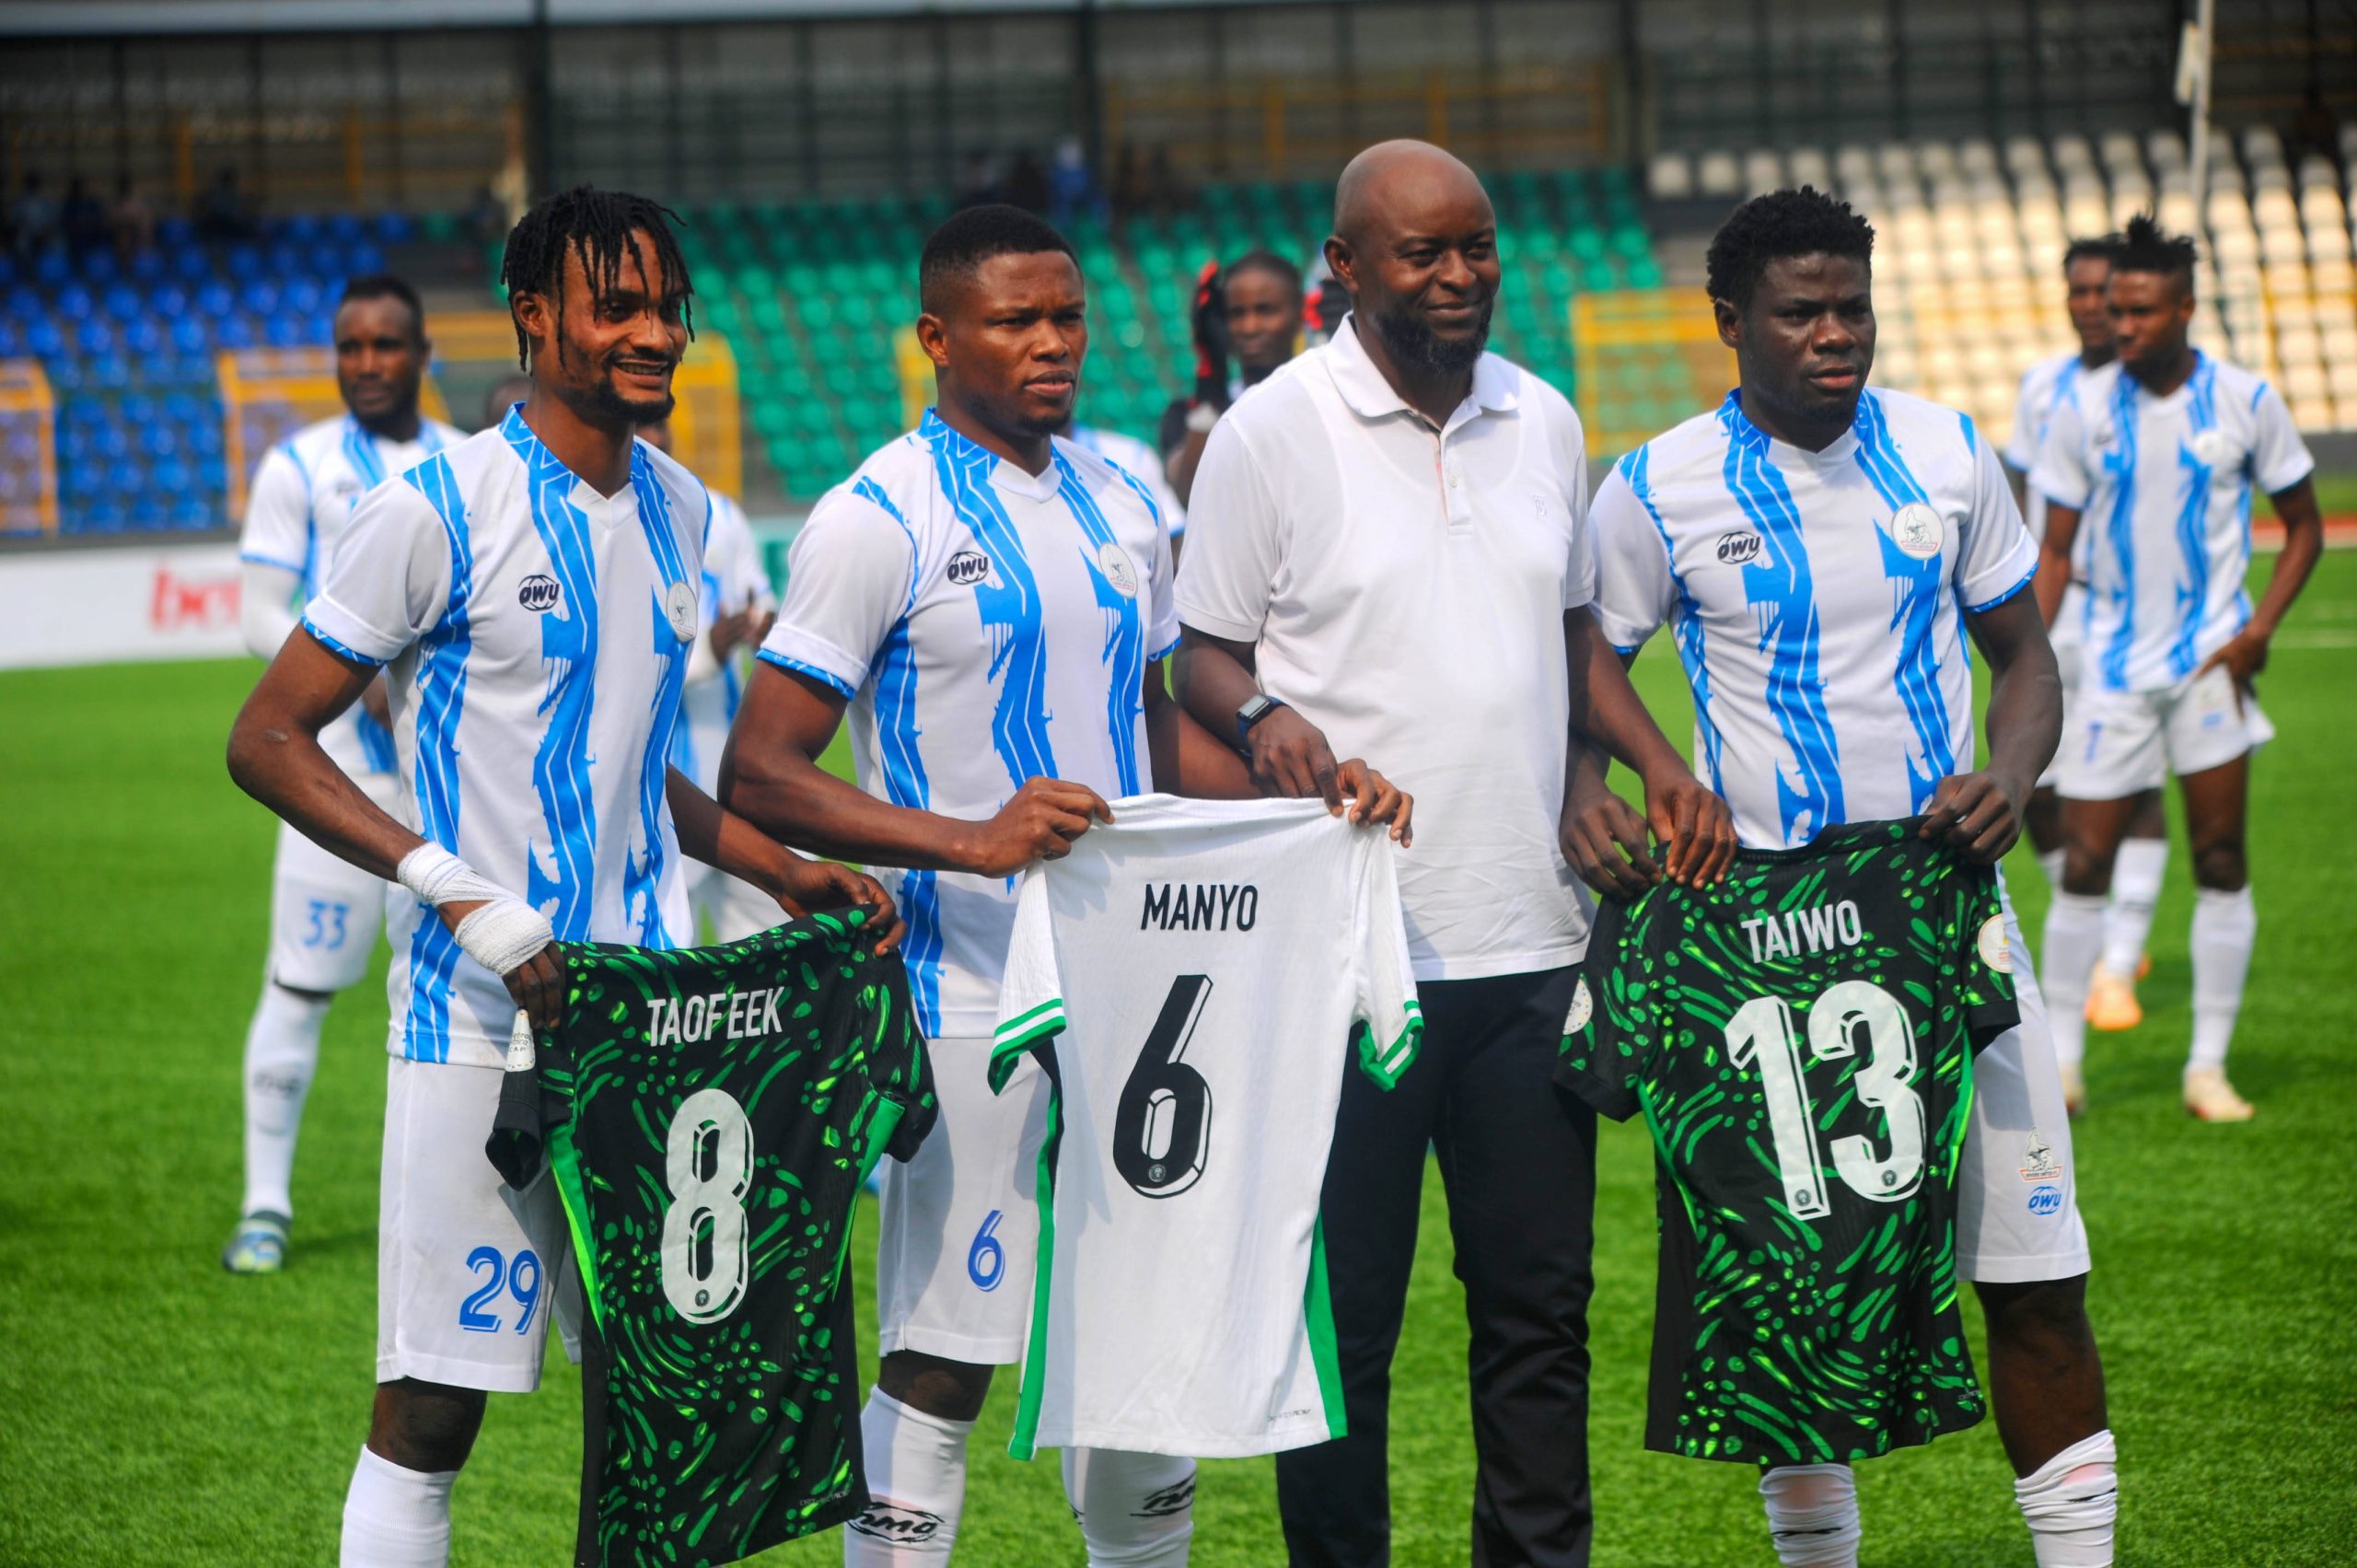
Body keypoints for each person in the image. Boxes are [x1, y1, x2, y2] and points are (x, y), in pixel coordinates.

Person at [720, 203, 1406, 1568]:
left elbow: (1150, 728)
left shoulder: (1122, 496)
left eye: (1067, 318)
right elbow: (761, 767)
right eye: (1014, 321)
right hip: (963, 988)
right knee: (946, 1349)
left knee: (1145, 1328)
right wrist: (972, 837)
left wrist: (1303, 799)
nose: (1051, 345)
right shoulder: (875, 516)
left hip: (1140, 988)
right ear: (935, 337)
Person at [225, 185, 894, 1568]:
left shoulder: (687, 512)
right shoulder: (435, 508)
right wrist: (459, 891)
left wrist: (784, 867)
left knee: (658, 1401)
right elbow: (266, 735)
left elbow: (639, 769)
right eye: (620, 305)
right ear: (537, 318)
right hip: (478, 1029)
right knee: (431, 1404)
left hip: (650, 1031)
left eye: (667, 305)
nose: (655, 333)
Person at [1174, 140, 1732, 1567]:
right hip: (1345, 963)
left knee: (1538, 1319)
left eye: (1476, 244)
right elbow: (1204, 656)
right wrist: (1268, 716)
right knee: (1345, 1333)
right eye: (1423, 252)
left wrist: (1620, 767)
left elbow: (1567, 637)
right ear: (1345, 271)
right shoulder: (1270, 431)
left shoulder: (1542, 418)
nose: (1460, 273)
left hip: (1534, 951)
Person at [1571, 186, 2116, 1568]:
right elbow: (1586, 661)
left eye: (1852, 309)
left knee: (2037, 1273)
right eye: (1801, 312)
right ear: (1730, 323)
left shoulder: (1944, 452)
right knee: (1788, 1285)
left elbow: (2029, 661)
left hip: (1946, 914)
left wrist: (2012, 775)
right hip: (1762, 934)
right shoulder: (1656, 484)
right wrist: (1621, 779)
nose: (1834, 335)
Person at [2030, 214, 2324, 1122]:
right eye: (2115, 311)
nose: (2121, 328)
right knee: (2081, 859)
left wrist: (2259, 628)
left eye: (2142, 312)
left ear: (2186, 307)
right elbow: (2054, 551)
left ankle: (2205, 1067)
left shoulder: (2245, 399)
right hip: (2112, 671)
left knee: (2222, 856)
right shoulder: (2080, 409)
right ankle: (2062, 1069)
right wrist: (2027, 666)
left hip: (2208, 670)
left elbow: (2305, 524)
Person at [221, 274, 466, 1276]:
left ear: (422, 355)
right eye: (350, 346)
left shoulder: (470, 465)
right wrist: (349, 670)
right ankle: (265, 1202)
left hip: (448, 796)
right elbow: (252, 609)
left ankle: (455, 1203)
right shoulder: (299, 463)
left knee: (455, 1002)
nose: (366, 363)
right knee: (301, 984)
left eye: (387, 345)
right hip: (330, 791)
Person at [2004, 237, 2167, 1067]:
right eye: (2077, 290)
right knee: (2035, 782)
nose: (2090, 304)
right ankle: (2097, 917)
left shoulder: (2148, 390)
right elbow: (2028, 493)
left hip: (2130, 619)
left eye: (2103, 290)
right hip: (2053, 602)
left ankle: (2115, 963)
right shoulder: (2043, 386)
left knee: (2132, 785)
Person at [640, 411, 779, 944]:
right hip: (659, 786)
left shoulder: (719, 512)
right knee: (670, 964)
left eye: (659, 420)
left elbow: (756, 597)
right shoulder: (607, 523)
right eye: (641, 424)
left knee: (772, 945)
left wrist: (763, 627)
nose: (653, 435)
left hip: (736, 769)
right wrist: (707, 654)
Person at [1158, 250, 1306, 508]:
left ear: (1298, 314)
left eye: (1266, 310)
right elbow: (1190, 494)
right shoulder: (1185, 416)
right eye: (1236, 314)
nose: (1250, 327)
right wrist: (1211, 381)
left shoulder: (1323, 400)